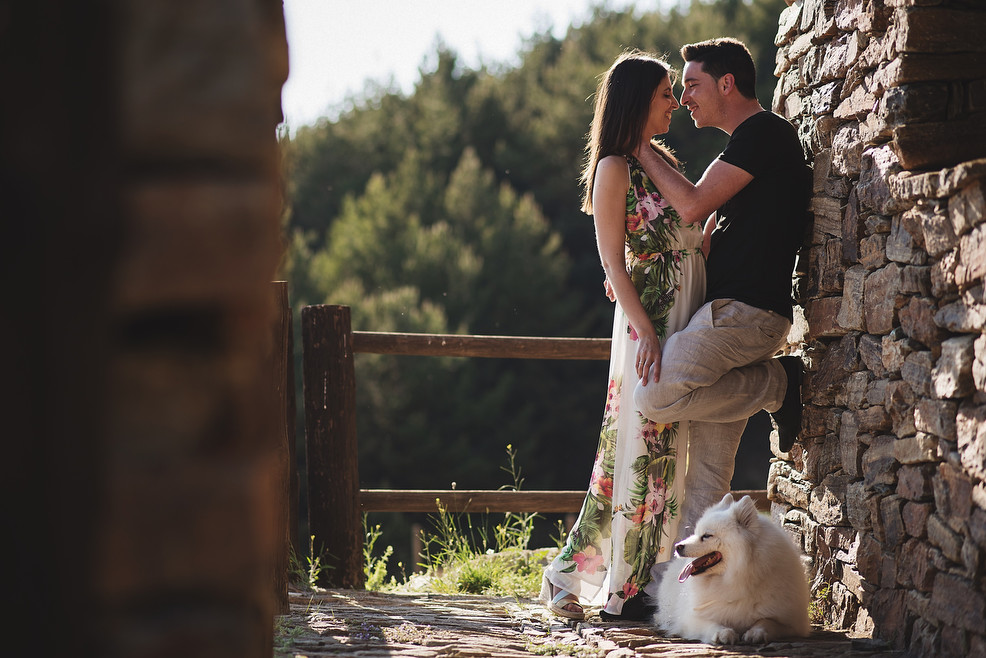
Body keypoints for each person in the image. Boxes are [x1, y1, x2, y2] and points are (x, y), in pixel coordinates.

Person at [540, 50, 706, 622]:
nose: (675, 103)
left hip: (685, 311)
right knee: (641, 450)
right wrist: (646, 333)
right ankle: (620, 585)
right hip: (651, 320)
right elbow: (612, 262)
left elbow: (694, 219)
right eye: (665, 94)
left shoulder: (654, 158)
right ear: (638, 100)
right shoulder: (614, 168)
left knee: (664, 453)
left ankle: (635, 578)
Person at [632, 37, 811, 547]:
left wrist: (641, 146)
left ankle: (775, 385)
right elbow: (700, 224)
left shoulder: (764, 134)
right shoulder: (750, 144)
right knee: (708, 479)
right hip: (732, 316)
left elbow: (688, 204)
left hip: (742, 317)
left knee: (653, 397)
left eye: (692, 85)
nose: (684, 96)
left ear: (727, 83)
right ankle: (681, 593)